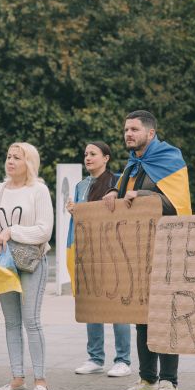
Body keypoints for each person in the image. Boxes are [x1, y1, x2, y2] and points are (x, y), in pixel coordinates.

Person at [109, 110, 192, 390]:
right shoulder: (133, 165)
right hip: (139, 252)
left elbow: (176, 206)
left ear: (151, 133)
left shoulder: (170, 160)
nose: (128, 134)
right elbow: (124, 199)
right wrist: (112, 192)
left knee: (166, 318)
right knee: (141, 316)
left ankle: (170, 384)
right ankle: (147, 380)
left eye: (134, 129)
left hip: (168, 250)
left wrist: (141, 196)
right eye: (126, 129)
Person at [0, 142, 54, 390]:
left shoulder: (39, 190)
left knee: (31, 320)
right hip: (3, 261)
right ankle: (17, 378)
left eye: (17, 158)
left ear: (29, 163)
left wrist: (13, 231)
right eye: (9, 156)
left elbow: (45, 230)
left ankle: (41, 379)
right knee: (11, 322)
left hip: (33, 261)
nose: (10, 161)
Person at [68, 141, 132, 377]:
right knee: (92, 302)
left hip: (114, 248)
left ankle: (123, 359)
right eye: (85, 154)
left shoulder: (117, 181)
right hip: (88, 248)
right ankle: (95, 357)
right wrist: (74, 210)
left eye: (93, 154)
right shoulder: (81, 185)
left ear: (106, 158)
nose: (88, 158)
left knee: (117, 305)